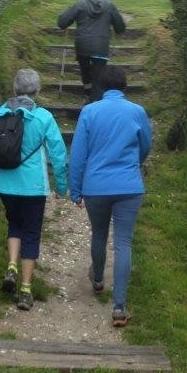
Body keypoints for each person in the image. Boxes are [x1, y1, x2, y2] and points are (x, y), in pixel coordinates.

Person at [68, 65, 152, 327]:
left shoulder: (89, 112)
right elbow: (145, 146)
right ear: (124, 86)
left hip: (96, 186)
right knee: (123, 243)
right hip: (129, 186)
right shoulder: (137, 112)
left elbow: (78, 154)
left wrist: (76, 188)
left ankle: (98, 280)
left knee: (99, 234)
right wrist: (132, 165)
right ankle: (119, 307)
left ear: (100, 87)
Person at [0, 68, 69, 310]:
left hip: (4, 184)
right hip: (33, 186)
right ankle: (26, 290)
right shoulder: (43, 117)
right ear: (37, 90)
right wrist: (61, 187)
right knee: (31, 231)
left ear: (15, 89)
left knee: (14, 224)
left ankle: (11, 265)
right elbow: (59, 155)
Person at [56, 0, 126, 102]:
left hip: (82, 45)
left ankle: (88, 94)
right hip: (101, 46)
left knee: (85, 70)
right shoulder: (109, 6)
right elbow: (120, 28)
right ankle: (96, 100)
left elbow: (62, 22)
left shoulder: (80, 4)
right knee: (98, 74)